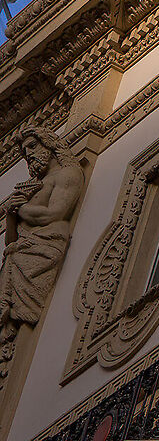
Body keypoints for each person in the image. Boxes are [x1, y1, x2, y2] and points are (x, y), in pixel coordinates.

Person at [0, 128, 82, 337]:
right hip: (18, 253)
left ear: (49, 144)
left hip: (43, 249)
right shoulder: (35, 185)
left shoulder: (67, 174)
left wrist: (20, 208)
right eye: (24, 151)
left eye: (32, 146)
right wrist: (10, 215)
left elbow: (55, 214)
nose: (28, 153)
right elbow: (10, 242)